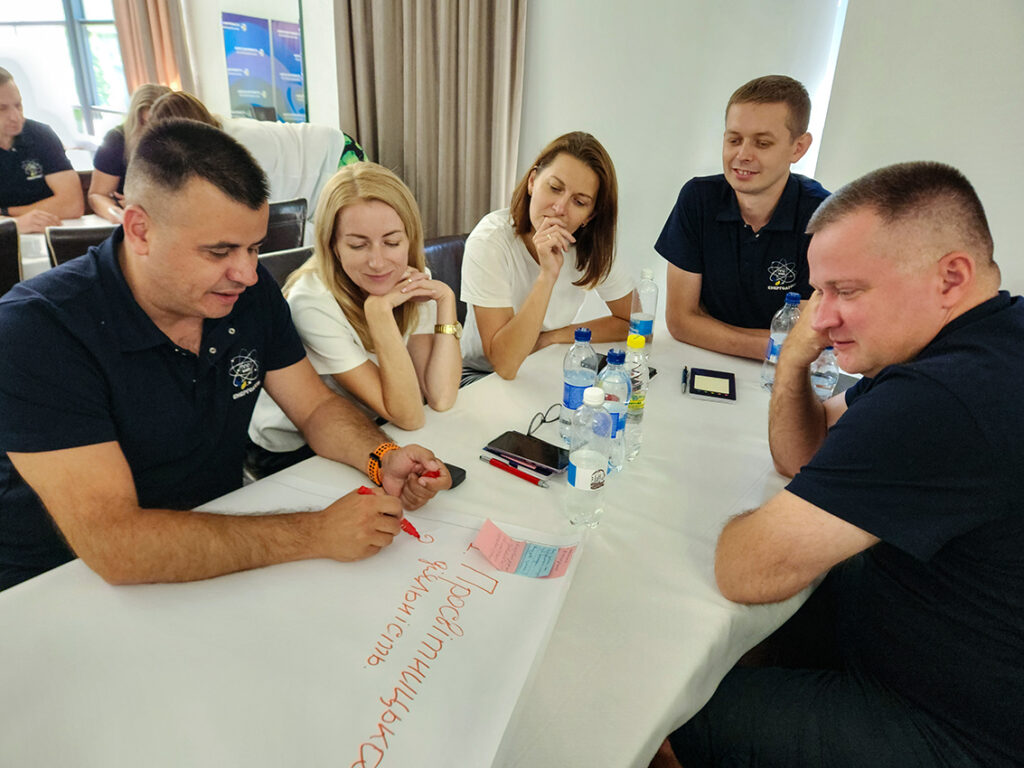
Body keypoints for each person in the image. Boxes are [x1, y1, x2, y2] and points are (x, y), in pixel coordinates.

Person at [659, 162, 1023, 767]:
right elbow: (803, 453)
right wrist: (792, 359)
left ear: (951, 277)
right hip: (922, 643)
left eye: (846, 291)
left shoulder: (941, 397)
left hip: (953, 726)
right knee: (747, 640)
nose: (822, 317)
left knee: (661, 714)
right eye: (818, 293)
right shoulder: (984, 340)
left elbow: (744, 569)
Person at [0, 119, 452, 593]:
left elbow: (315, 407)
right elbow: (116, 544)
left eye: (254, 248)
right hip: (56, 584)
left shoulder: (248, 295)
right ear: (140, 230)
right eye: (219, 251)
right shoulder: (37, 330)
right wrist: (315, 532)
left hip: (219, 540)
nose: (247, 273)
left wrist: (382, 457)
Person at [247, 162, 461, 478]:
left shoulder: (408, 279)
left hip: (372, 423)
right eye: (358, 245)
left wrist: (446, 301)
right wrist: (379, 313)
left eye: (392, 242)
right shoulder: (311, 303)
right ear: (333, 246)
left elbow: (439, 396)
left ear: (410, 239)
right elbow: (409, 415)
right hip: (292, 448)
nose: (378, 262)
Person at [655, 75, 829, 360]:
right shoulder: (698, 199)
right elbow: (680, 321)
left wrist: (706, 329)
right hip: (704, 358)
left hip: (784, 371)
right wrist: (780, 345)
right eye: (734, 140)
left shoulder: (824, 217)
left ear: (798, 148)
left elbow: (811, 336)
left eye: (762, 143)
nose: (743, 155)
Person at [460, 131, 632, 379]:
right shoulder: (489, 241)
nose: (560, 208)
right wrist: (547, 275)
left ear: (590, 216)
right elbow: (504, 364)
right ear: (532, 181)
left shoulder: (590, 247)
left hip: (545, 361)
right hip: (482, 374)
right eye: (554, 188)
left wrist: (553, 337)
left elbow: (637, 325)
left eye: (579, 202)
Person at [0, 66, 84, 233]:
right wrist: (15, 225)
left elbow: (72, 204)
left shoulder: (41, 135)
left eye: (18, 105)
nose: (15, 116)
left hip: (47, 232)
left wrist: (7, 214)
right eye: (2, 109)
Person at [89, 83, 172, 223]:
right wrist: (117, 214)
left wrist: (146, 202)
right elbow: (98, 195)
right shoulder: (116, 140)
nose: (151, 132)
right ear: (135, 121)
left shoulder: (181, 142)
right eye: (145, 124)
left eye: (159, 125)